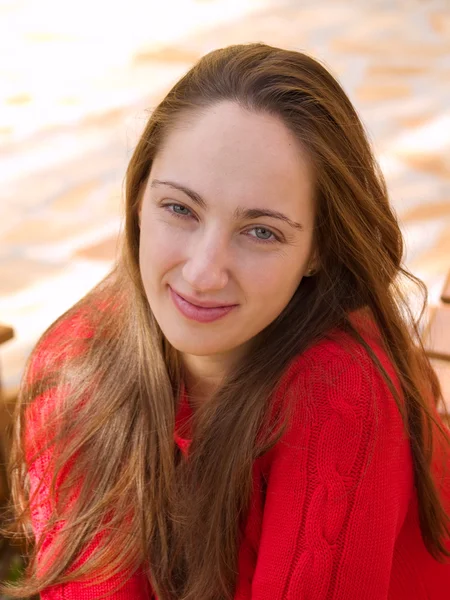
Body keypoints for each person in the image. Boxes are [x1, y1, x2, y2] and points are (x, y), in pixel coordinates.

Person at [1, 42, 450, 600]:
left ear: (318, 250)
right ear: (140, 198)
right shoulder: (76, 367)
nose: (203, 271)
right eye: (180, 209)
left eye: (261, 231)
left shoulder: (342, 393)